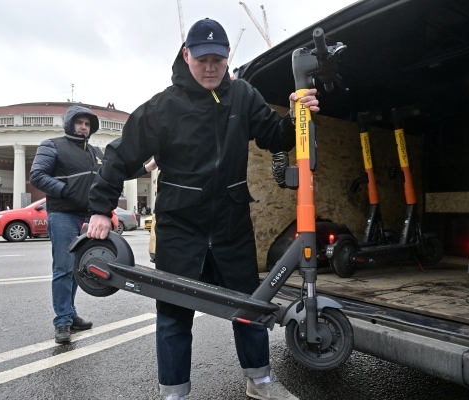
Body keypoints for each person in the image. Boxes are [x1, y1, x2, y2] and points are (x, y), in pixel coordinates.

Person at [86, 18, 319, 400]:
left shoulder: (243, 95)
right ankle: (174, 393)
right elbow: (120, 155)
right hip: (181, 226)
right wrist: (100, 208)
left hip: (231, 224)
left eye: (219, 59)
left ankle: (259, 381)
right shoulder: (163, 106)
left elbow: (277, 137)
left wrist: (298, 115)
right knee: (175, 314)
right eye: (203, 59)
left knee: (249, 305)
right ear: (186, 55)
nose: (211, 67)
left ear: (228, 58)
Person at [30, 105, 156, 344]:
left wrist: (147, 168)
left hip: (88, 217)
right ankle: (62, 322)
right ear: (69, 124)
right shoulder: (52, 145)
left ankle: (70, 313)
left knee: (78, 268)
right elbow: (37, 175)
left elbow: (113, 172)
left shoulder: (97, 152)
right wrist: (66, 191)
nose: (83, 127)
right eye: (79, 122)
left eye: (87, 124)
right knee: (64, 269)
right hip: (64, 215)